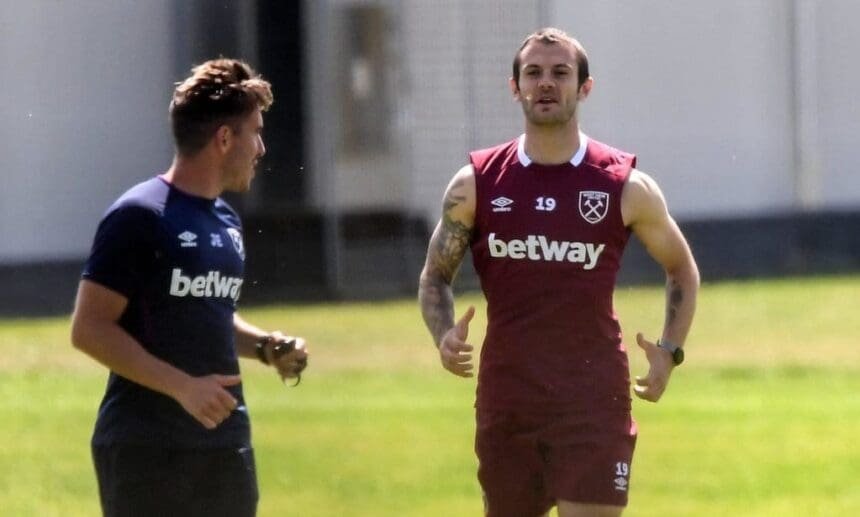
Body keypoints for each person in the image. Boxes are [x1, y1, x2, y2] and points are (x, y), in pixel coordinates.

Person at [418, 28, 699, 517]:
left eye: (560, 73)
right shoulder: (477, 185)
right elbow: (434, 276)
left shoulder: (624, 185)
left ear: (584, 88)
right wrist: (443, 335)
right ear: (514, 87)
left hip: (593, 401)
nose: (546, 83)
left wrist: (670, 351)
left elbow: (681, 269)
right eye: (533, 73)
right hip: (509, 400)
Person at [70, 58, 308, 517]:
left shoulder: (226, 220)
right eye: (254, 132)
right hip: (148, 449)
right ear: (224, 138)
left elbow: (208, 313)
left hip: (225, 445)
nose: (260, 148)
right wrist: (182, 387)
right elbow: (90, 328)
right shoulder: (140, 215)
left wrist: (266, 347)